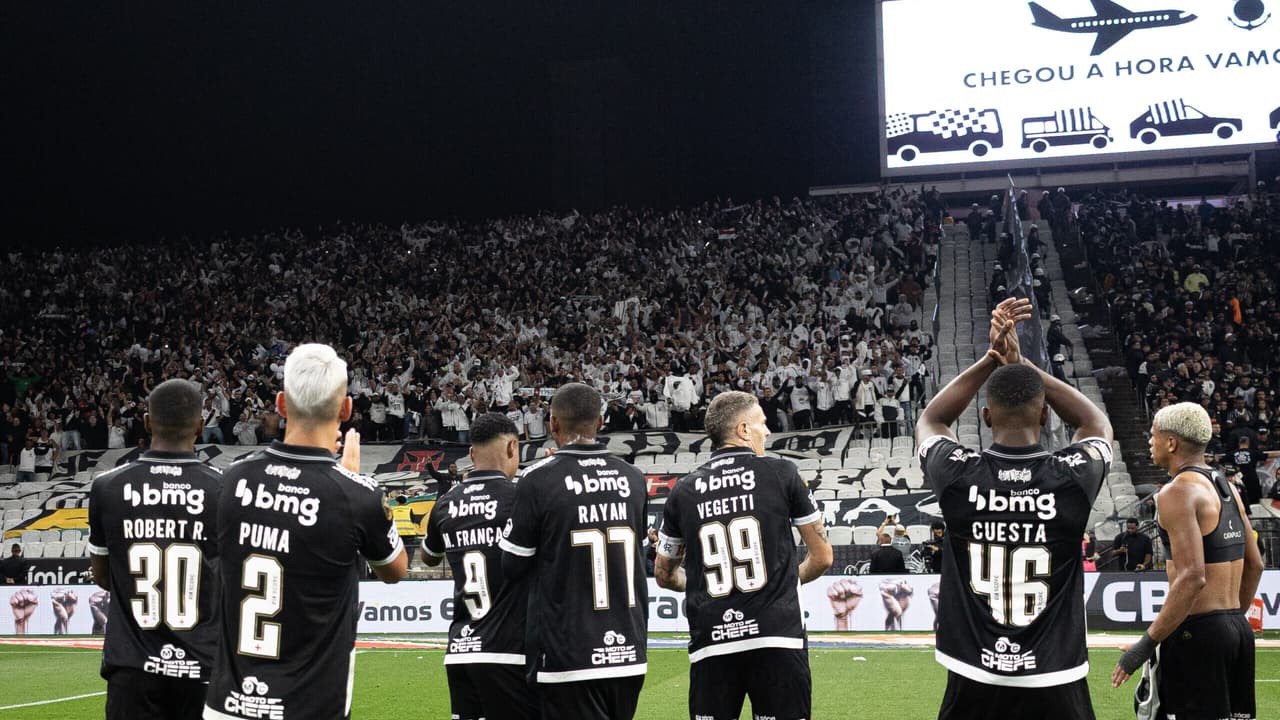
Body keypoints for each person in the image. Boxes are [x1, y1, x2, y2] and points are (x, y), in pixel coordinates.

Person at [917, 297, 1113, 719]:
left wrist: (991, 360)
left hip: (972, 672)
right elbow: (1096, 425)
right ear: (1044, 416)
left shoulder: (957, 475)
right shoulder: (1071, 477)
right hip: (1056, 674)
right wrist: (1024, 366)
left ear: (986, 416)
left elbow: (931, 420)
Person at [203, 344, 408, 720]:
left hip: (229, 705)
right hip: (312, 707)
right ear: (345, 410)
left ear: (281, 404)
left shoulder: (231, 479)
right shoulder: (356, 495)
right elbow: (396, 570)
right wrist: (352, 478)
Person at [654, 390, 832, 720]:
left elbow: (664, 575)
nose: (768, 431)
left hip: (712, 641)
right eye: (762, 423)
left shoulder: (683, 490)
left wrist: (698, 583)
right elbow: (822, 557)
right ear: (744, 430)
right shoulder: (782, 473)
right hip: (777, 637)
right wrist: (784, 580)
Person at [499, 383, 648, 720]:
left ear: (552, 424)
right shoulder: (633, 478)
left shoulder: (538, 479)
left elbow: (512, 565)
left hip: (567, 652)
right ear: (600, 421)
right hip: (628, 649)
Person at [1112, 402, 1264, 720]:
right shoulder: (1228, 487)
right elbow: (1255, 565)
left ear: (1171, 442)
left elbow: (1192, 577)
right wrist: (1229, 620)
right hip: (1237, 630)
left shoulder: (1176, 492)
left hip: (1197, 635)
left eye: (1152, 436)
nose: (1149, 443)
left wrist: (1144, 647)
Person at [86, 379, 223, 720]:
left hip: (132, 666)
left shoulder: (107, 487)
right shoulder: (225, 489)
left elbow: (103, 576)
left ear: (146, 422)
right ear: (201, 426)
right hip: (204, 664)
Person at [422, 413, 537, 720]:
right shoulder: (521, 498)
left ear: (471, 454)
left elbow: (428, 557)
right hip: (511, 651)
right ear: (513, 448)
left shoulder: (446, 502)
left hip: (461, 649)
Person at [1230, 434, 1266, 506]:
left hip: (1239, 479)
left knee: (1240, 499)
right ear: (1248, 443)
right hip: (1252, 478)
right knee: (1255, 500)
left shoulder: (1232, 453)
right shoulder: (1253, 452)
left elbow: (1221, 460)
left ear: (1239, 443)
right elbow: (1266, 456)